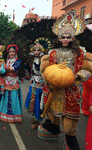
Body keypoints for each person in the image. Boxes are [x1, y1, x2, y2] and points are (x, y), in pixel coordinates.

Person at [37, 11, 92, 150]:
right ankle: (53, 129)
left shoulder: (80, 53)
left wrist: (78, 76)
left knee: (69, 123)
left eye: (68, 36)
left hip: (71, 90)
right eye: (63, 37)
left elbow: (89, 69)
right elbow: (45, 69)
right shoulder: (53, 53)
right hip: (54, 89)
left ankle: (70, 142)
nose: (66, 39)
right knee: (52, 114)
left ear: (73, 37)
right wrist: (48, 77)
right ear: (59, 38)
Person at [25, 38, 51, 129]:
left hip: (41, 82)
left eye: (38, 50)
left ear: (42, 51)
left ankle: (38, 120)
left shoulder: (44, 61)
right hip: (33, 81)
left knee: (39, 101)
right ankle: (35, 117)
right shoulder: (31, 59)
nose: (36, 52)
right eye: (35, 50)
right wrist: (28, 74)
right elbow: (27, 67)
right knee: (31, 99)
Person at [0, 44, 22, 123]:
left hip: (14, 81)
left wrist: (5, 66)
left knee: (14, 98)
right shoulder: (7, 61)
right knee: (7, 97)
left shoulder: (18, 60)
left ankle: (14, 116)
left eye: (13, 52)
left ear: (16, 52)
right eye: (10, 52)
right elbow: (3, 71)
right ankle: (6, 114)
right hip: (7, 81)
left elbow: (15, 68)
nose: (11, 53)